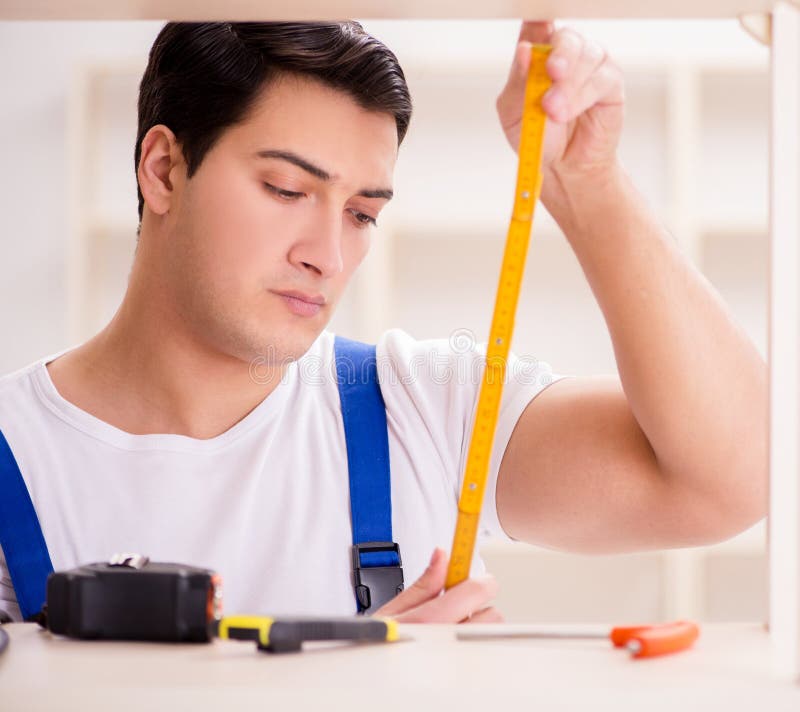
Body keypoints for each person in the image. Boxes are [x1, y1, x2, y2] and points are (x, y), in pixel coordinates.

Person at [0, 20, 767, 625]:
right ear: (163, 169)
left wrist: (586, 182)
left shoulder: (422, 407)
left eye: (363, 212)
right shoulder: (15, 455)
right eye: (286, 189)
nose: (328, 255)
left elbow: (733, 477)